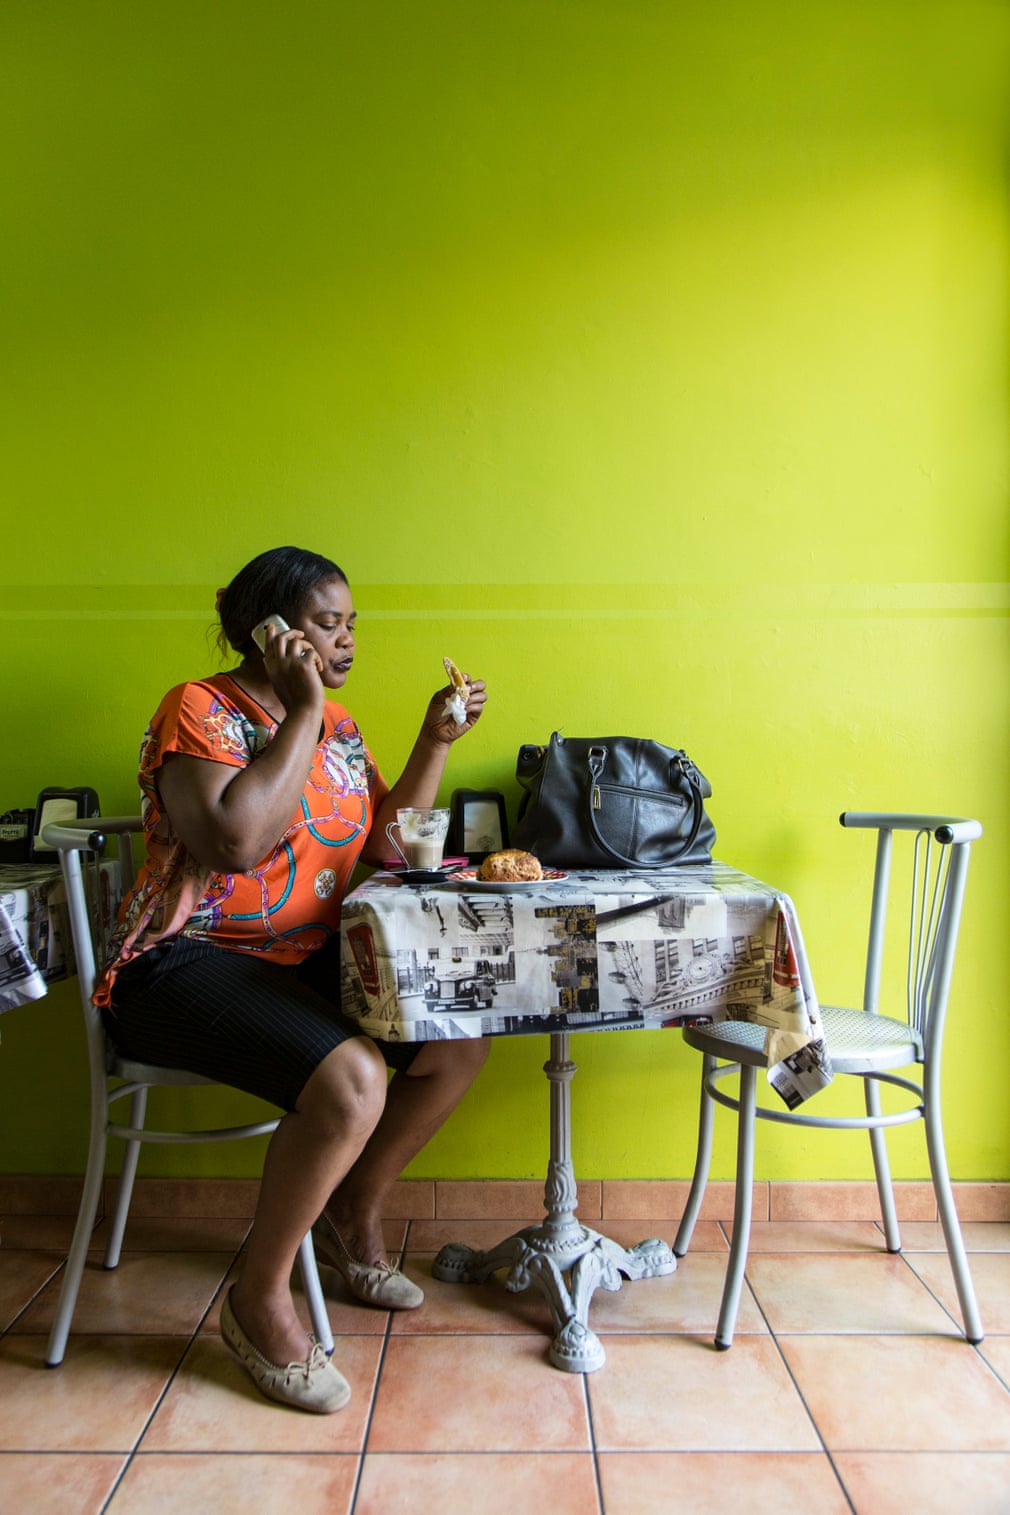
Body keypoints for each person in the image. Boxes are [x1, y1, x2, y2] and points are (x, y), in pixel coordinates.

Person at [95, 545, 489, 1413]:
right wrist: (303, 711)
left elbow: (382, 848)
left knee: (457, 1037)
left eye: (352, 624)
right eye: (326, 622)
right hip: (181, 962)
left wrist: (433, 738)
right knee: (355, 1081)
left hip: (300, 962)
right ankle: (258, 1297)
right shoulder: (199, 709)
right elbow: (231, 843)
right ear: (265, 630)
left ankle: (352, 1215)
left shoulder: (341, 728)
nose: (346, 640)